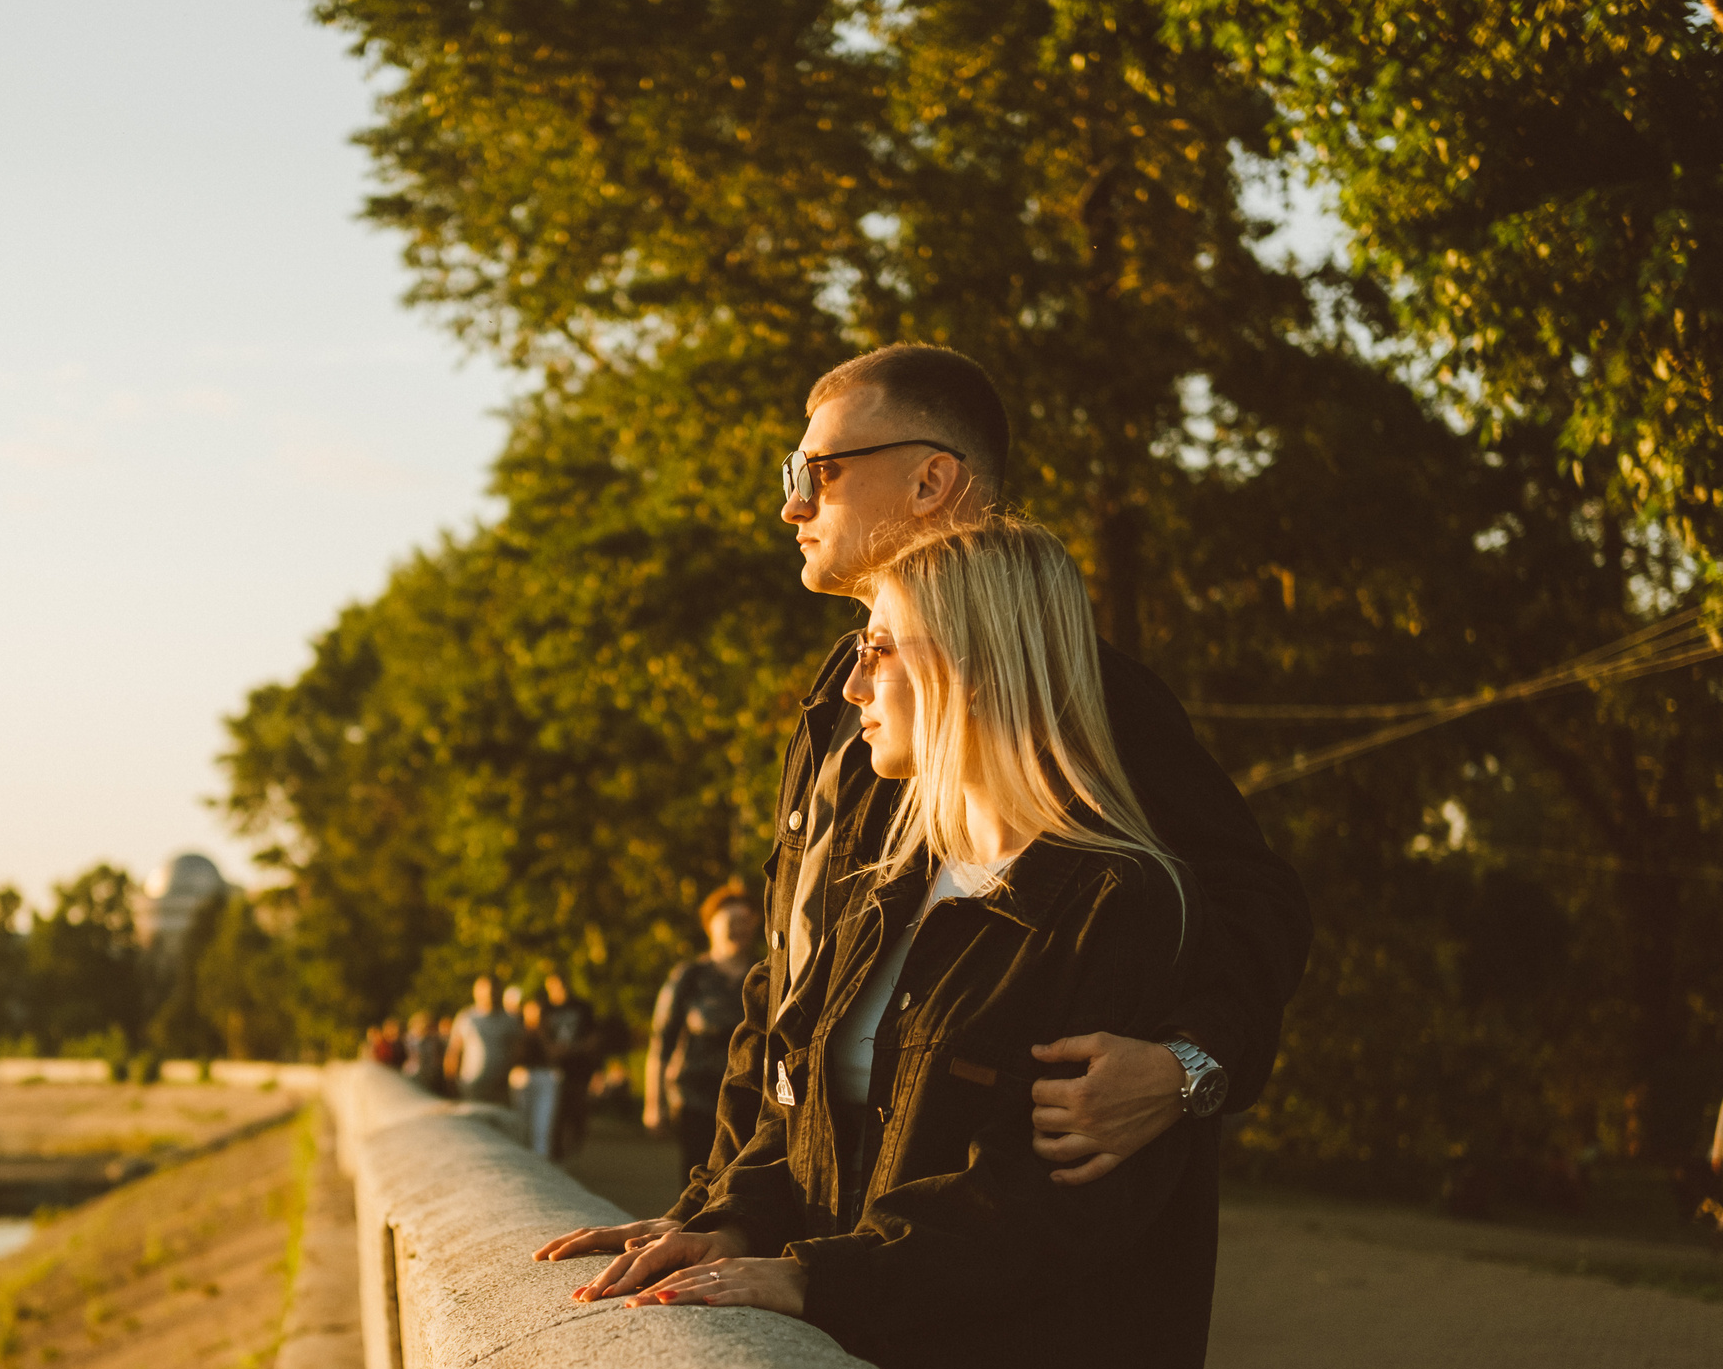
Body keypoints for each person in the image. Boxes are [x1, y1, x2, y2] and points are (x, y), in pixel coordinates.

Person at [581, 516, 1219, 1369]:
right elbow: (805, 1103)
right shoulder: (892, 884)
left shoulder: (1114, 902)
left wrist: (814, 1276)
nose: (854, 677)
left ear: (975, 664)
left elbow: (1048, 1207)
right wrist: (728, 1219)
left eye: (883, 645)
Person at [542, 342, 1308, 1258]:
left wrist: (1188, 1069)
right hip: (823, 1241)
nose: (792, 503)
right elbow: (788, 989)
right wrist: (711, 1210)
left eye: (817, 470)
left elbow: (1250, 906)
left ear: (931, 480)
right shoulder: (844, 700)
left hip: (990, 1312)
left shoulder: (1068, 696)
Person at [644, 885, 760, 1185]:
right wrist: (654, 1104)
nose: (739, 928)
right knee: (697, 1183)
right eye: (730, 921)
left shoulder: (764, 976)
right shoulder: (690, 976)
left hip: (750, 1103)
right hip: (697, 1101)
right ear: (711, 926)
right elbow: (661, 1042)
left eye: (745, 921)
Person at [536, 971, 600, 1159]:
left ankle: (570, 1153)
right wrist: (572, 1048)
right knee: (555, 1116)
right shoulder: (546, 1009)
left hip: (579, 1071)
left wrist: (571, 1049)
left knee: (577, 1115)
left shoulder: (583, 1008)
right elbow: (546, 1044)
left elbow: (593, 1041)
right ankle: (556, 1156)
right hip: (553, 1072)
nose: (559, 990)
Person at [444, 974, 523, 1106]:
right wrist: (450, 1083)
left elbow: (518, 1053)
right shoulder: (467, 1018)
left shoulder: (510, 1020)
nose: (490, 995)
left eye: (494, 990)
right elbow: (454, 1051)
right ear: (476, 992)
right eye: (486, 991)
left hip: (500, 1088)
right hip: (472, 1087)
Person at [512, 995, 560, 1158]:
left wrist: (542, 1033)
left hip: (546, 1077)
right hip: (521, 1077)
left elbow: (554, 1055)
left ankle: (541, 1164)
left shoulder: (551, 1031)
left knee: (542, 1127)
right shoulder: (516, 1029)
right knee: (521, 1126)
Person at [402, 1011, 448, 1096]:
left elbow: (438, 1054)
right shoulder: (409, 1039)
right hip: (414, 1073)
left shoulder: (433, 1039)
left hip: (431, 1072)